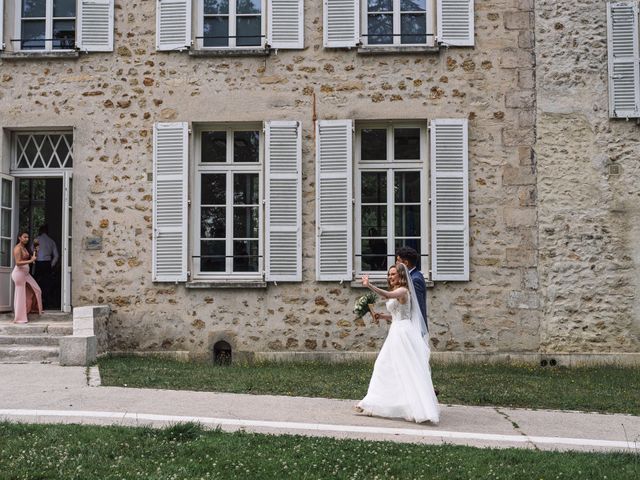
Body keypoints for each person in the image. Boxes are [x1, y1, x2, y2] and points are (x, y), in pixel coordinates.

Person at [355, 263, 439, 424]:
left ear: (401, 275)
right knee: (386, 366)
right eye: (389, 275)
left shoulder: (403, 290)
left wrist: (369, 285)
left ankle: (413, 406)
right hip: (396, 331)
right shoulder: (399, 292)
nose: (390, 277)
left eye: (393, 274)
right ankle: (373, 403)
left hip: (403, 334)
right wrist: (382, 316)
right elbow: (397, 315)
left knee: (404, 368)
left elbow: (387, 295)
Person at [11, 231, 43, 324]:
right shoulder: (17, 248)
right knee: (20, 296)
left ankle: (31, 309)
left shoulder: (24, 248)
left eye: (28, 237)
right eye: (24, 237)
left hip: (25, 274)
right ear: (19, 238)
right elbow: (18, 262)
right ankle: (19, 318)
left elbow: (31, 258)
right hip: (19, 274)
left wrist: (35, 252)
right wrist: (30, 261)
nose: (27, 239)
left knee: (36, 290)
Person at [396, 246, 427, 332]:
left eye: (398, 260)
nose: (396, 263)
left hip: (415, 328)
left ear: (405, 263)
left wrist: (417, 331)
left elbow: (418, 307)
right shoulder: (412, 276)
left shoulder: (415, 279)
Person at [33, 224, 59, 310]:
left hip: (38, 264)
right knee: (47, 284)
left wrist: (33, 261)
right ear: (47, 231)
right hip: (47, 264)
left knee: (36, 283)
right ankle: (46, 302)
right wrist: (51, 264)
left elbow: (33, 251)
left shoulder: (37, 240)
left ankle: (37, 302)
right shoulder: (51, 241)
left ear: (40, 231)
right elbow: (56, 256)